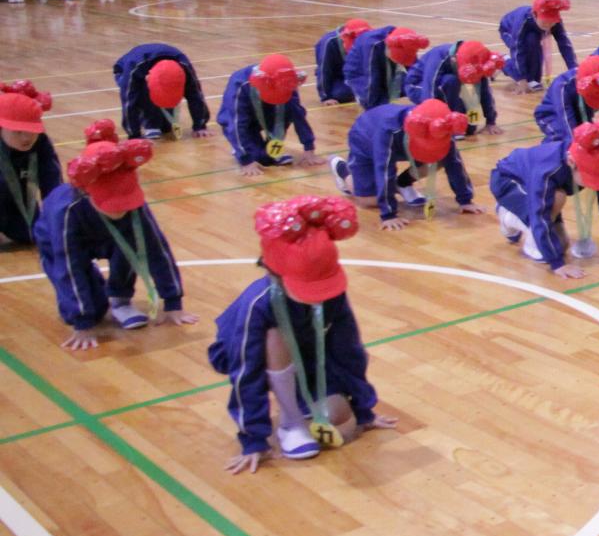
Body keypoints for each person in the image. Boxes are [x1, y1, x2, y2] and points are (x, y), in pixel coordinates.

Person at [213, 195, 394, 472]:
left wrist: (364, 410)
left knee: (339, 414)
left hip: (307, 359)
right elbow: (244, 374)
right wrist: (254, 440)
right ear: (275, 272)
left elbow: (349, 350)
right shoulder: (257, 305)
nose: (316, 298)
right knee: (275, 334)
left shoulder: (332, 295)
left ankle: (301, 402)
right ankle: (291, 422)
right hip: (257, 357)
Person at [32, 124, 193, 351]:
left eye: (125, 204)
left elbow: (157, 250)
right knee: (90, 307)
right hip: (56, 240)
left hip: (109, 234)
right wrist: (83, 322)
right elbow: (69, 268)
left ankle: (120, 299)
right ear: (88, 192)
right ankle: (89, 308)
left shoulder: (133, 206)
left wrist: (173, 301)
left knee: (133, 241)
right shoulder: (66, 212)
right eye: (113, 204)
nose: (121, 210)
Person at [491, 115, 599, 278]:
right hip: (508, 181)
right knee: (544, 250)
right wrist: (557, 264)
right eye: (590, 178)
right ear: (571, 162)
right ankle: (508, 216)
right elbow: (540, 215)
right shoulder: (548, 170)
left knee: (561, 245)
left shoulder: (597, 157)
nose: (594, 184)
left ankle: (522, 222)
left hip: (541, 187)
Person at [329, 99, 482, 230]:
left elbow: (454, 163)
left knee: (440, 157)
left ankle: (402, 183)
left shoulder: (441, 128)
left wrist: (465, 200)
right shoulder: (389, 131)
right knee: (369, 201)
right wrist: (388, 214)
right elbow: (384, 169)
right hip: (365, 139)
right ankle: (342, 169)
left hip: (406, 143)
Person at [218, 54, 321, 177]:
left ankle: (264, 151)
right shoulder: (240, 85)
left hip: (270, 110)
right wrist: (246, 160)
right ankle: (239, 149)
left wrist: (309, 147)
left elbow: (298, 114)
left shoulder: (287, 82)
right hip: (245, 119)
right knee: (253, 155)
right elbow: (236, 124)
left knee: (267, 159)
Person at [0, 82, 62, 246]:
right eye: (18, 132)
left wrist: (57, 220)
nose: (26, 138)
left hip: (17, 205)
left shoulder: (41, 144)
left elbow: (52, 184)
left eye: (32, 131)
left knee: (35, 236)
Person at [113, 43, 212, 139]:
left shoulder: (184, 67)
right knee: (141, 91)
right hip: (124, 70)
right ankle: (149, 123)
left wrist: (200, 126)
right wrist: (134, 135)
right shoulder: (133, 68)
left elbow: (195, 95)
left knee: (166, 128)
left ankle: (158, 120)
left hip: (154, 70)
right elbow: (129, 102)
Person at [403, 38, 503, 133]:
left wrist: (490, 121)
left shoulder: (477, 63)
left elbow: (483, 91)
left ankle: (453, 117)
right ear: (454, 59)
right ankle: (445, 120)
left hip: (446, 89)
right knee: (451, 81)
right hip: (418, 86)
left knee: (470, 128)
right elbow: (429, 92)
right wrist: (432, 122)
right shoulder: (439, 56)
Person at [498, 0, 579, 91]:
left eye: (552, 22)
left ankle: (532, 78)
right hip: (509, 30)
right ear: (535, 15)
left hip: (533, 33)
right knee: (526, 46)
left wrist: (574, 71)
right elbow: (517, 51)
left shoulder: (555, 22)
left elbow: (565, 45)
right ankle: (501, 61)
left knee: (533, 40)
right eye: (545, 22)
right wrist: (521, 79)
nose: (549, 26)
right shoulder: (523, 20)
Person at [343, 25, 429, 111]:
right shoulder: (371, 45)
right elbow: (370, 80)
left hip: (386, 67)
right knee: (378, 105)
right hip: (360, 73)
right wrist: (373, 108)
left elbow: (414, 72)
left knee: (408, 90)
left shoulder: (405, 40)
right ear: (388, 49)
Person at [313, 18, 371, 105]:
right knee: (339, 94)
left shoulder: (369, 40)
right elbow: (324, 71)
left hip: (355, 75)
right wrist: (326, 97)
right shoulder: (328, 43)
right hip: (337, 77)